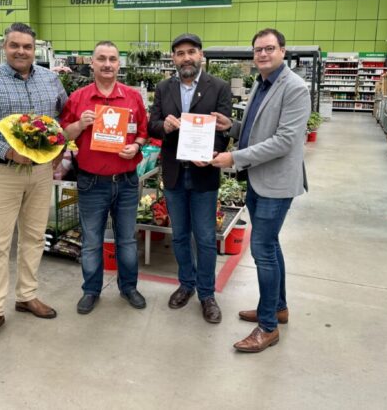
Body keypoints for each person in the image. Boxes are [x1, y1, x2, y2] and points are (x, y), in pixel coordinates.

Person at [0, 23, 68, 347]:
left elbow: (62, 119)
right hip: (2, 172)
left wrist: (59, 149)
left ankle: (27, 296)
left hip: (40, 172)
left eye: (27, 46)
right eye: (15, 45)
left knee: (35, 237)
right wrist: (8, 150)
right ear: (4, 47)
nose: (21, 51)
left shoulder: (51, 79)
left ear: (34, 49)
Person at [211, 28, 310, 353]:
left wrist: (233, 158)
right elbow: (258, 130)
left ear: (283, 51)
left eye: (269, 49)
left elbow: (283, 141)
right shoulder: (262, 83)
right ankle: (277, 307)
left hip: (276, 183)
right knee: (271, 246)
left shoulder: (294, 88)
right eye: (258, 50)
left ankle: (267, 326)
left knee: (263, 252)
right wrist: (233, 128)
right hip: (258, 179)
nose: (263, 54)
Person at [148, 33, 232, 323]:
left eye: (191, 52)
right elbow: (152, 124)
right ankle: (186, 284)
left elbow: (223, 129)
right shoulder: (162, 88)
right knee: (181, 235)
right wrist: (166, 127)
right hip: (174, 174)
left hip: (203, 174)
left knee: (206, 238)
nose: (186, 57)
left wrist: (213, 151)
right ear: (173, 58)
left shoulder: (218, 87)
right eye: (180, 53)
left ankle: (207, 294)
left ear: (201, 55)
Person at [60, 41, 148, 315]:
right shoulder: (78, 98)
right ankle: (91, 290)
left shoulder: (133, 97)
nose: (107, 64)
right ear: (92, 63)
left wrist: (136, 146)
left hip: (126, 181)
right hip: (91, 182)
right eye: (102, 59)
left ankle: (129, 287)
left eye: (112, 59)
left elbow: (143, 132)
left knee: (127, 240)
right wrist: (80, 124)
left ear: (118, 64)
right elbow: (64, 134)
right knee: (91, 240)